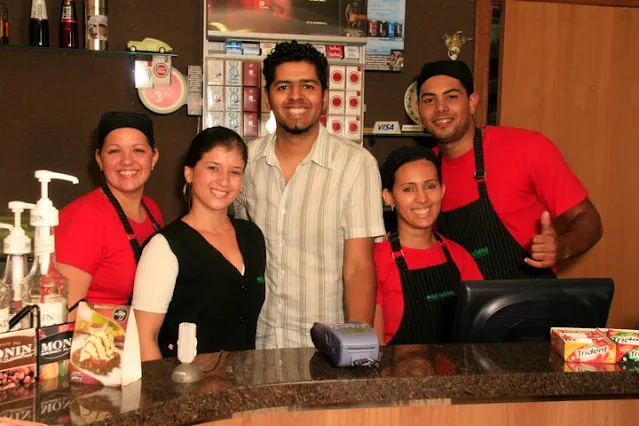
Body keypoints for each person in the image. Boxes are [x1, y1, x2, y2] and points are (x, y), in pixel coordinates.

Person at [234, 41, 385, 349]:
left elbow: (359, 268)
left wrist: (356, 351)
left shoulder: (356, 165)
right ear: (268, 97)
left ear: (324, 97)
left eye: (308, 86)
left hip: (324, 347)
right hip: (256, 342)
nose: (295, 97)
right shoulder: (246, 162)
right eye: (283, 87)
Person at [415, 60, 603, 280]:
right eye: (429, 100)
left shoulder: (527, 148)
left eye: (452, 96)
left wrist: (562, 247)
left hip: (531, 304)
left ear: (473, 102)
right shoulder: (424, 171)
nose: (440, 108)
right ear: (420, 110)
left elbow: (588, 218)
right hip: (464, 308)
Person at [132, 127, 266, 361]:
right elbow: (144, 339)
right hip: (184, 389)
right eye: (213, 168)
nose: (224, 181)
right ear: (189, 173)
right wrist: (161, 394)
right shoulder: (164, 247)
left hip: (243, 388)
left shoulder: (252, 236)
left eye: (235, 172)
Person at [373, 146, 483, 345]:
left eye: (430, 186)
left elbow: (480, 333)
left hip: (456, 374)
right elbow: (374, 352)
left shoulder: (460, 256)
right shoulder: (375, 261)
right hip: (397, 374)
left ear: (442, 191)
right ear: (389, 197)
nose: (422, 198)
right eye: (408, 189)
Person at [56, 111, 162, 313]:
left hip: (138, 336)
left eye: (138, 150)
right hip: (96, 341)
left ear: (154, 157)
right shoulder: (84, 216)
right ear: (99, 159)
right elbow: (66, 313)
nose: (127, 161)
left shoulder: (152, 209)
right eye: (114, 151)